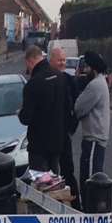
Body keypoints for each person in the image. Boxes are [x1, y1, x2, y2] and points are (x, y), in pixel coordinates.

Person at [19, 42, 66, 172]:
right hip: (57, 142)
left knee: (41, 183)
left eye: (27, 64)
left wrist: (20, 113)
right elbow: (67, 107)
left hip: (39, 145)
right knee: (55, 183)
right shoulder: (60, 77)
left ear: (30, 61)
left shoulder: (33, 84)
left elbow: (26, 118)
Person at [73, 50, 111, 202]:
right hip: (96, 138)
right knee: (92, 177)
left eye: (87, 68)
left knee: (89, 180)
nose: (85, 71)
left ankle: (89, 211)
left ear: (93, 69)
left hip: (93, 139)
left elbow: (78, 107)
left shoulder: (95, 85)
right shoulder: (101, 82)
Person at [49, 43, 79, 199]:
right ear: (51, 61)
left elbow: (77, 105)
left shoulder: (69, 80)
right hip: (49, 136)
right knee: (50, 176)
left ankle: (76, 206)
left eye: (64, 60)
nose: (62, 63)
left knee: (68, 171)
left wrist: (71, 127)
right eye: (59, 60)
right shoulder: (46, 80)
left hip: (64, 134)